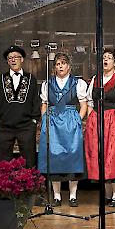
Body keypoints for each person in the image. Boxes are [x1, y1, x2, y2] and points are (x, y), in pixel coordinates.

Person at [38, 52, 88, 207]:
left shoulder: (78, 83)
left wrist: (77, 120)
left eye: (63, 63)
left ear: (69, 66)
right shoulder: (47, 84)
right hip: (53, 122)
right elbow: (44, 104)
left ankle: (73, 196)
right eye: (58, 64)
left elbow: (84, 104)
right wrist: (45, 118)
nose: (60, 66)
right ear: (54, 67)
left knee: (73, 155)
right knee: (54, 157)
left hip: (71, 122)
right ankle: (57, 196)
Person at [85, 48, 115, 207]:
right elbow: (90, 102)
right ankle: (107, 194)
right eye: (103, 58)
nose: (105, 60)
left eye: (109, 58)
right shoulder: (95, 79)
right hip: (99, 121)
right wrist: (92, 119)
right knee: (102, 156)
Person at [0, 45, 40, 169]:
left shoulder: (31, 79)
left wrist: (34, 121)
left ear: (22, 59)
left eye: (16, 57)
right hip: (4, 127)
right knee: (3, 163)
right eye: (10, 58)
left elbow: (35, 101)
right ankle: (3, 187)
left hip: (26, 126)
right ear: (7, 61)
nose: (13, 60)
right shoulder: (0, 79)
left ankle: (30, 187)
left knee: (29, 161)